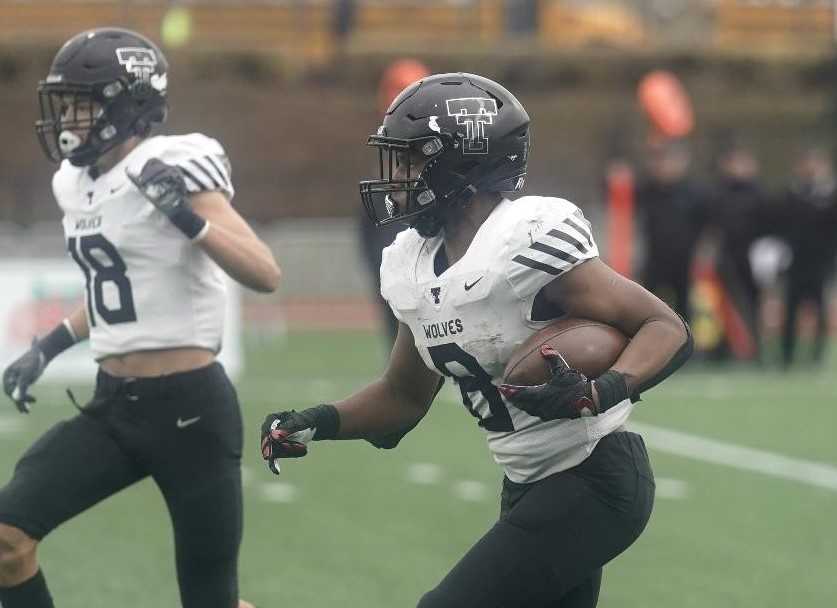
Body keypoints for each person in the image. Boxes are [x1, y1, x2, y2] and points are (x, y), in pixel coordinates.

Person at [260, 73, 692, 607]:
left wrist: (601, 390)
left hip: (595, 477)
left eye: (412, 159)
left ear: (462, 163)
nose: (397, 176)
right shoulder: (411, 263)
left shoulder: (526, 239)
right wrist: (315, 421)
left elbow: (665, 328)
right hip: (525, 484)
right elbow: (402, 397)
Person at [0, 28, 279, 608]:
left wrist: (187, 217)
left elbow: (264, 272)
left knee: (210, 601)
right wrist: (47, 347)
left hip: (190, 411)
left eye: (81, 102)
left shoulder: (174, 164)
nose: (68, 117)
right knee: (7, 537)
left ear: (126, 102)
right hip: (113, 407)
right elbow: (116, 290)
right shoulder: (74, 183)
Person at [634, 138, 710, 321]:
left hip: (685, 261)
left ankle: (687, 345)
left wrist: (705, 254)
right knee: (648, 306)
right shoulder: (646, 191)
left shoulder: (695, 193)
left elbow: (707, 226)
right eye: (659, 161)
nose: (663, 167)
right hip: (654, 258)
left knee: (685, 308)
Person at [778, 145, 837, 368]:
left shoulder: (829, 195)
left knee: (820, 309)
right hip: (795, 262)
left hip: (820, 263)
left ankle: (817, 355)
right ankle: (787, 355)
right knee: (791, 310)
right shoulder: (792, 195)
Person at [710, 139, 768, 361]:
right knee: (723, 304)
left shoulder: (759, 194)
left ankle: (755, 349)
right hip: (727, 256)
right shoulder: (719, 193)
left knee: (754, 303)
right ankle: (723, 350)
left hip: (752, 256)